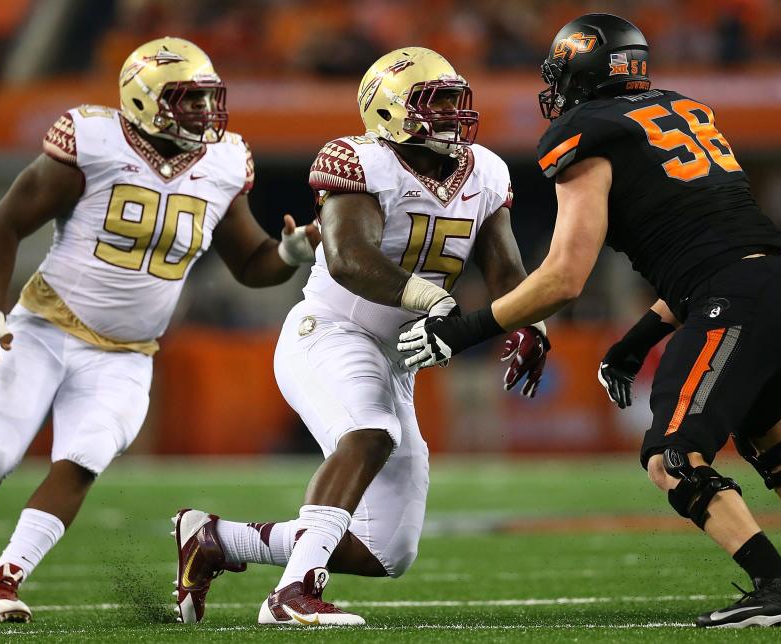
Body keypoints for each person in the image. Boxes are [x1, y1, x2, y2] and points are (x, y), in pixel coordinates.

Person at [397, 13, 781, 629]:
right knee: (766, 425)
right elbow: (714, 252)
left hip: (738, 296)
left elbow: (564, 276)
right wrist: (640, 338)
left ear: (579, 74)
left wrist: (461, 330)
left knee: (670, 456)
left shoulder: (587, 132)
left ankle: (777, 589)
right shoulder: (685, 110)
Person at [0, 37, 319, 623]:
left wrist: (291, 253)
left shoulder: (223, 163)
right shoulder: (94, 142)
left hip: (126, 354)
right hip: (43, 329)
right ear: (143, 101)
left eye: (207, 99)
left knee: (84, 456)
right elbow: (5, 225)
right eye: (187, 100)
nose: (204, 113)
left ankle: (2, 580)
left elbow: (251, 265)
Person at [170, 46, 549, 627]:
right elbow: (349, 258)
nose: (454, 114)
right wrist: (433, 299)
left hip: (397, 357)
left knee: (387, 550)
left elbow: (503, 270)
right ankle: (291, 594)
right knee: (369, 432)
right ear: (392, 111)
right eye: (437, 103)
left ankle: (218, 539)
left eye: (455, 101)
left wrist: (531, 321)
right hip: (330, 330)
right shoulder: (359, 160)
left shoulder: (487, 171)